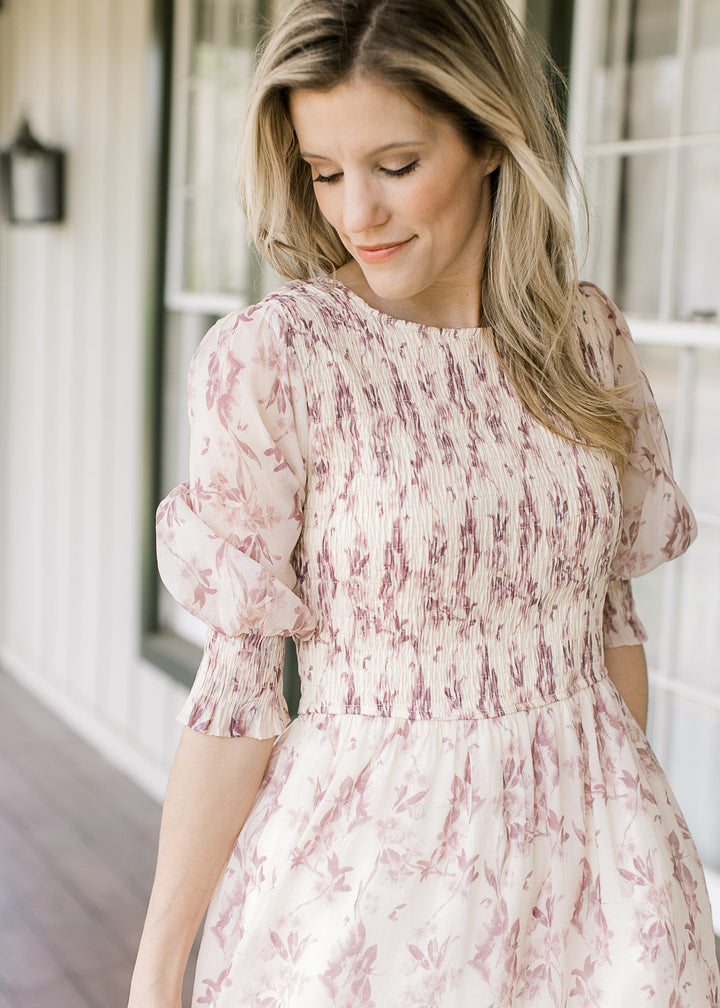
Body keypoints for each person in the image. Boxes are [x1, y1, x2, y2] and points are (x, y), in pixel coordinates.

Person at [128, 0, 720, 1005]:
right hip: (368, 895)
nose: (356, 212)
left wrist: (632, 848)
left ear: (490, 141)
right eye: (325, 172)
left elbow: (610, 621)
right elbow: (235, 693)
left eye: (395, 165)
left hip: (602, 880)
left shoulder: (581, 342)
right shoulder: (280, 360)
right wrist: (156, 972)